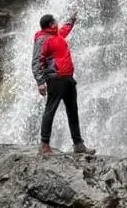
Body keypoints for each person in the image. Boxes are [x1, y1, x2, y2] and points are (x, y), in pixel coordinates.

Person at [31, 9, 93, 156]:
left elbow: (65, 28)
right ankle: (44, 145)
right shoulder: (42, 39)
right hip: (55, 79)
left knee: (73, 111)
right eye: (55, 22)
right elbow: (36, 61)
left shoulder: (57, 35)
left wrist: (72, 19)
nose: (58, 24)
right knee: (50, 110)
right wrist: (40, 82)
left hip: (68, 78)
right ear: (51, 25)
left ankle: (78, 145)